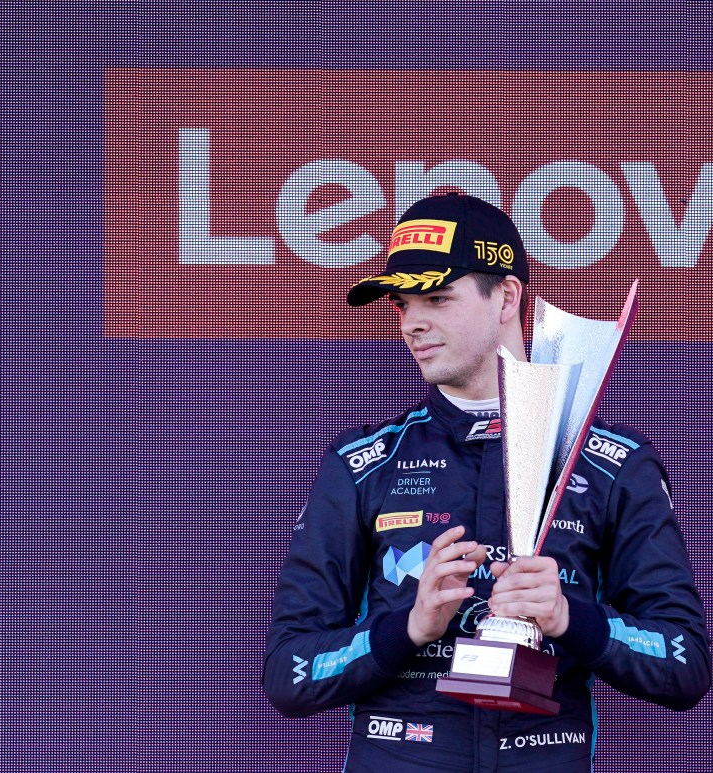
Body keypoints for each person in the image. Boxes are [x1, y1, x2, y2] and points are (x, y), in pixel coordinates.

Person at [261, 193, 711, 772]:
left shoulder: (612, 462)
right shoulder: (362, 464)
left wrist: (570, 618)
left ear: (506, 296)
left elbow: (685, 666)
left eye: (437, 298)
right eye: (402, 304)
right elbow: (289, 674)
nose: (413, 322)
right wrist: (407, 629)